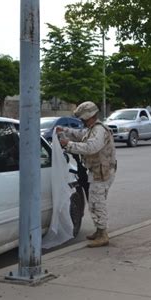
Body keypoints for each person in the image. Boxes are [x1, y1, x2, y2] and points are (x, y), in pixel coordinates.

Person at [56, 101, 117, 248]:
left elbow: (91, 147)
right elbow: (80, 135)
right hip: (98, 171)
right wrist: (64, 130)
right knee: (94, 201)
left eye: (83, 118)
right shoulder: (92, 129)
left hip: (102, 172)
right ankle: (99, 230)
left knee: (97, 202)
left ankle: (103, 234)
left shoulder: (99, 130)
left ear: (90, 116)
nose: (82, 121)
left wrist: (68, 144)